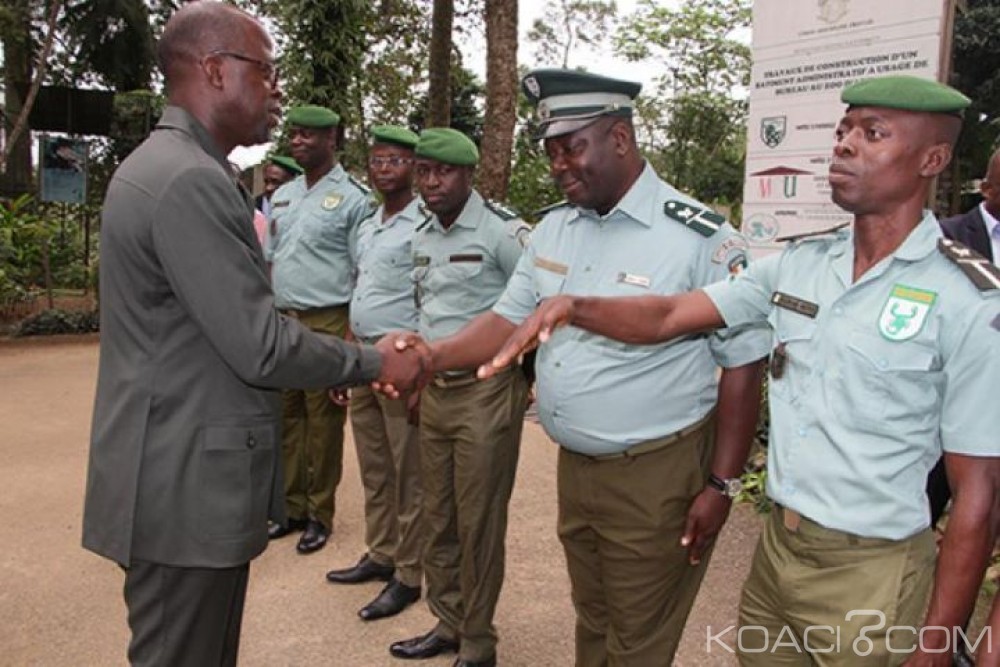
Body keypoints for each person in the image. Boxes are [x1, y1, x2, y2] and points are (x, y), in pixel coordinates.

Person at [483, 75, 1000, 665]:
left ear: (932, 159)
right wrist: (575, 305)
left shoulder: (969, 301)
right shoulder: (799, 266)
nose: (845, 145)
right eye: (843, 130)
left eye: (872, 133)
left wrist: (937, 643)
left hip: (873, 571)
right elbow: (673, 312)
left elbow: (978, 499)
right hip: (777, 556)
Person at [81, 3, 425, 666]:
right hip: (184, 485)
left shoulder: (172, 165)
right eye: (264, 72)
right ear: (214, 70)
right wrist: (376, 358)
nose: (276, 92)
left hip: (174, 472)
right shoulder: (189, 180)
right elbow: (260, 344)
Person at [388, 69, 768, 666]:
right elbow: (506, 319)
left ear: (619, 137)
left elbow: (745, 365)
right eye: (550, 153)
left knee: (639, 635)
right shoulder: (556, 228)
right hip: (578, 470)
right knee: (594, 619)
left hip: (656, 472)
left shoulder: (700, 238)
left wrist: (723, 484)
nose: (559, 166)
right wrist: (432, 357)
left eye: (571, 149)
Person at [386, 128, 531, 667]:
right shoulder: (422, 235)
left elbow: (536, 308)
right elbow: (427, 310)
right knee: (437, 514)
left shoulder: (503, 233)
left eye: (442, 172)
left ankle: (478, 641)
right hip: (437, 392)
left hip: (486, 392)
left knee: (479, 520)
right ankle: (447, 621)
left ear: (469, 174)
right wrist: (421, 381)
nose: (430, 182)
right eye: (423, 171)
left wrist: (525, 374)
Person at [264, 105, 376, 554]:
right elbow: (271, 258)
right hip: (283, 318)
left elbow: (361, 268)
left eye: (309, 135)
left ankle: (319, 513)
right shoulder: (285, 195)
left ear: (333, 140)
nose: (298, 142)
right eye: (294, 134)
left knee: (323, 421)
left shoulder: (354, 198)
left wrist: (349, 334)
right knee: (287, 417)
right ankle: (289, 508)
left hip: (328, 319)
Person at [324, 125, 425, 622]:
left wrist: (421, 374)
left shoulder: (425, 224)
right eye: (378, 160)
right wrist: (347, 350)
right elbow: (358, 288)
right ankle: (381, 551)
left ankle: (408, 573)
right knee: (375, 465)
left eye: (395, 161)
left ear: (414, 167)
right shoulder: (367, 223)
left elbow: (431, 300)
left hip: (400, 363)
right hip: (363, 358)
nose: (384, 169)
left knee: (409, 470)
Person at [256, 154, 301, 219]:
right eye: (266, 182)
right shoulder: (252, 207)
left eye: (275, 182)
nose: (268, 188)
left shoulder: (305, 209)